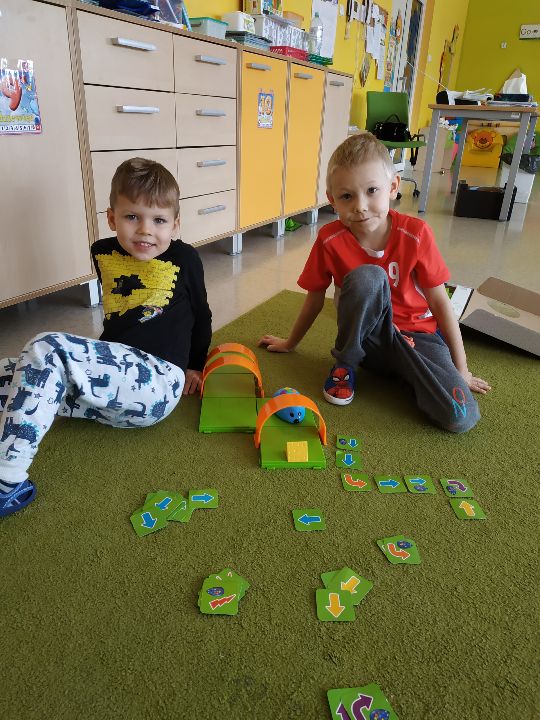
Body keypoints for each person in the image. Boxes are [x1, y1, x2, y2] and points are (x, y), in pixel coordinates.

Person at [0, 158, 212, 517]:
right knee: (21, 369)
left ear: (175, 224)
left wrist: (195, 365)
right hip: (112, 389)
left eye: (159, 220)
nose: (145, 230)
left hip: (157, 382)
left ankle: (7, 482)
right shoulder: (102, 251)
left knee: (45, 348)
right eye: (132, 217)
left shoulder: (186, 258)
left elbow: (202, 314)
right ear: (112, 218)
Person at [259, 133, 490, 432]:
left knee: (460, 417)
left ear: (393, 187)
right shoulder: (329, 239)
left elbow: (440, 302)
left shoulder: (416, 233)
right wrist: (290, 343)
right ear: (332, 200)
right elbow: (314, 298)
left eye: (371, 190)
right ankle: (346, 365)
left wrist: (462, 370)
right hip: (366, 342)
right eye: (346, 196)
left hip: (417, 337)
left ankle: (404, 369)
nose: (360, 206)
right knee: (370, 276)